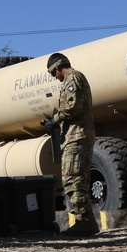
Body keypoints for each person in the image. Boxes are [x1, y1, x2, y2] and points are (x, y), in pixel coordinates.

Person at [45, 52, 99, 237]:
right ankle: (85, 221)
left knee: (73, 179)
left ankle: (85, 222)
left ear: (58, 67)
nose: (55, 78)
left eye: (53, 74)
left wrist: (55, 119)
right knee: (77, 179)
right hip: (74, 136)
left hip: (77, 136)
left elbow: (73, 106)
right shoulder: (74, 78)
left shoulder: (73, 77)